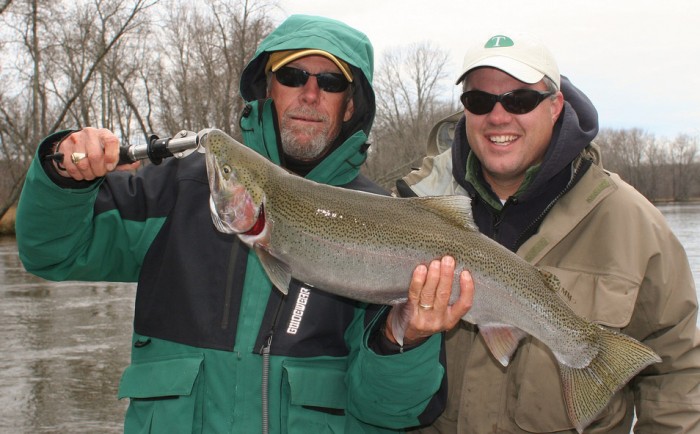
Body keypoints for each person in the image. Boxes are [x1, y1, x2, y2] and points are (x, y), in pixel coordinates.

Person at [15, 15, 473, 433]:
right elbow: (52, 250)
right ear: (267, 88)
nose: (309, 94)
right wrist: (62, 175)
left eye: (330, 82)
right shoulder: (179, 189)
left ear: (351, 105)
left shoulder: (386, 221)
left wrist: (405, 338)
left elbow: (390, 412)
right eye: (292, 76)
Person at [397, 33, 700, 433]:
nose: (498, 116)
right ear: (465, 111)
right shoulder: (410, 206)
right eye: (480, 101)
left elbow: (677, 378)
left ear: (556, 107)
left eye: (519, 101)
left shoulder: (634, 224)